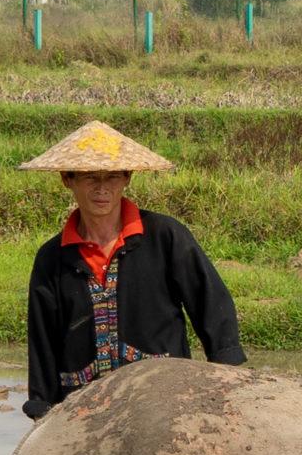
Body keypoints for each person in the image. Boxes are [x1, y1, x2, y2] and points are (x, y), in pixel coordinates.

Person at [19, 120, 244, 421]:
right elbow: (42, 338)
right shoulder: (52, 257)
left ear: (127, 177)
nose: (102, 188)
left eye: (112, 176)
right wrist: (42, 405)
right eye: (89, 177)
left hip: (162, 398)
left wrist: (225, 372)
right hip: (82, 407)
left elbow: (210, 301)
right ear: (67, 179)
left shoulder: (165, 236)